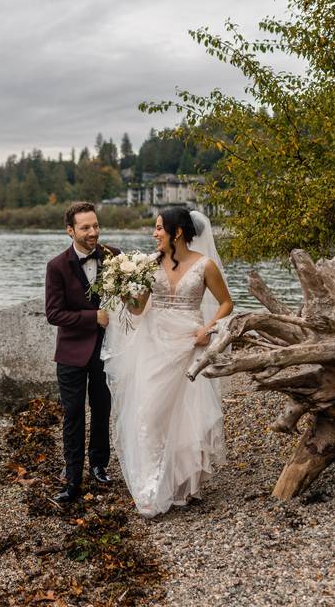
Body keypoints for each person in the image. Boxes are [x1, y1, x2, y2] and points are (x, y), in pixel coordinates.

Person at [102, 207, 233, 517]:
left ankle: (181, 485)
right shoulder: (150, 264)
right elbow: (137, 309)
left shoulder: (205, 266)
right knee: (149, 414)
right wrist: (121, 290)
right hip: (154, 346)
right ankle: (151, 485)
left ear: (177, 232)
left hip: (190, 344)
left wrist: (209, 328)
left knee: (187, 415)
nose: (154, 233)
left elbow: (227, 302)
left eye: (159, 228)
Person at [44, 202, 120, 504]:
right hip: (71, 354)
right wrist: (93, 317)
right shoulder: (57, 266)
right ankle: (73, 476)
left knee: (103, 410)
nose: (93, 232)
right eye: (85, 227)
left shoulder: (114, 256)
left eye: (95, 226)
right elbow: (54, 314)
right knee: (73, 414)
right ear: (70, 230)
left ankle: (100, 466)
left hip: (107, 350)